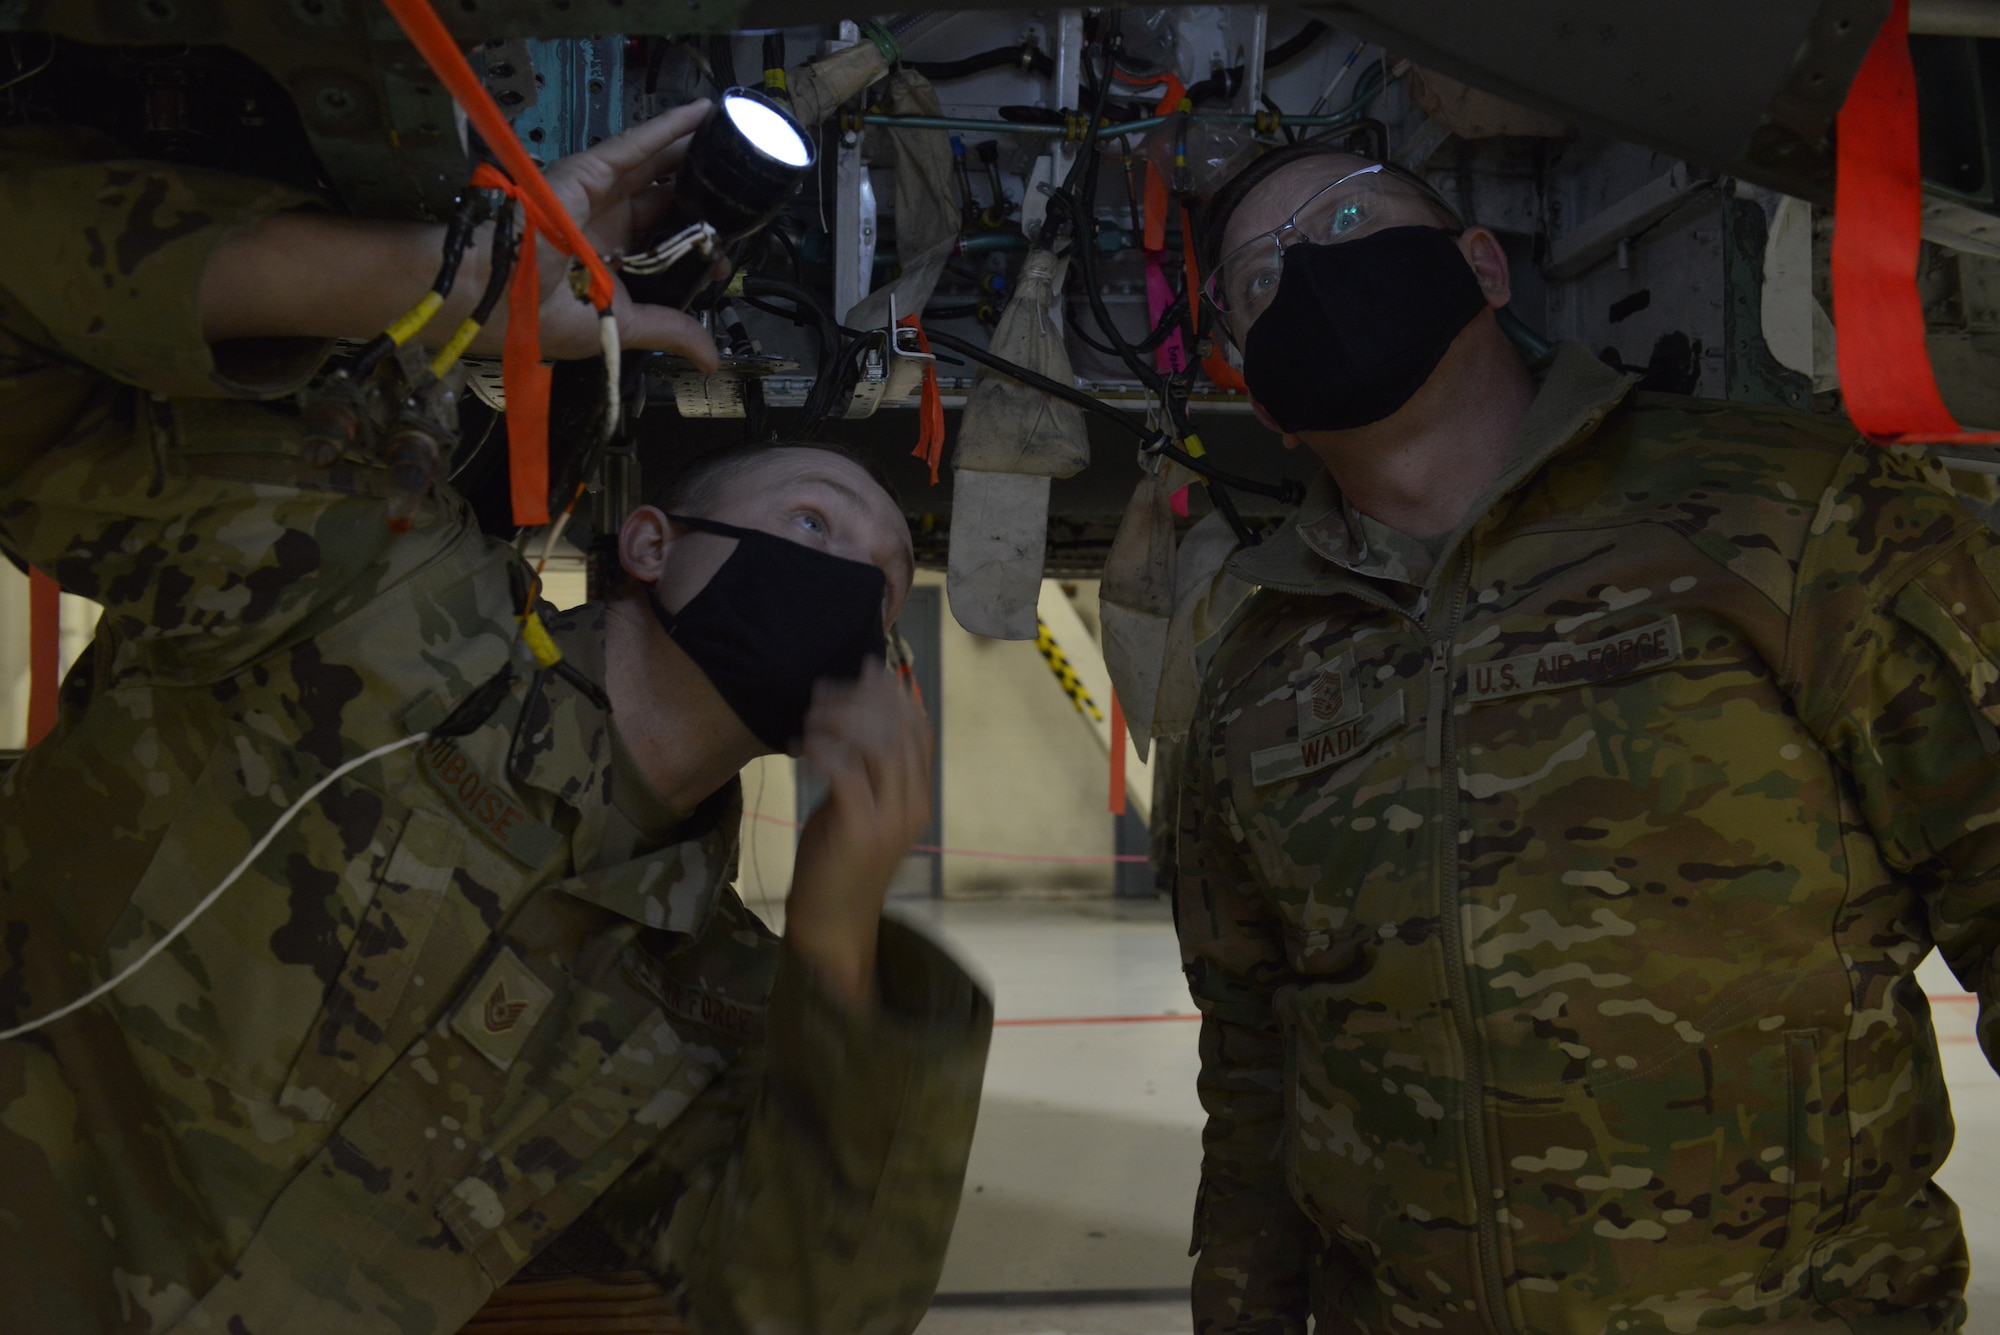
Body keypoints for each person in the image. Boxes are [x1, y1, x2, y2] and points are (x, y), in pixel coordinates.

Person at [0, 101, 991, 1335]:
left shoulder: (713, 1000)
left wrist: (840, 943)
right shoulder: (369, 592)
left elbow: (799, 1309)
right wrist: (452, 280)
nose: (854, 588)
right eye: (811, 527)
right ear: (647, 543)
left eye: (887, 586)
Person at [1174, 141, 2000, 1333]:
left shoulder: (1782, 513)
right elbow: (1252, 1069)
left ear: (1480, 267)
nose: (1301, 266)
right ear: (1258, 394)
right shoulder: (1254, 677)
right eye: (1255, 280)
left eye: (1349, 216)